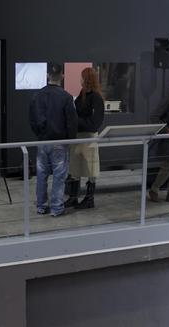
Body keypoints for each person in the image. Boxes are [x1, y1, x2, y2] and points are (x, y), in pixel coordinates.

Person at [28, 64, 77, 217]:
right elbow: (71, 122)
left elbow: (32, 119)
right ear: (62, 76)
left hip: (42, 141)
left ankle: (41, 206)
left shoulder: (37, 96)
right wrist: (71, 140)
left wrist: (39, 134)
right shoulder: (66, 97)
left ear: (48, 75)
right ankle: (56, 208)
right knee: (59, 176)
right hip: (60, 143)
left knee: (42, 175)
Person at [64, 67, 104, 210]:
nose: (79, 79)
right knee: (75, 168)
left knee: (90, 169)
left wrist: (76, 121)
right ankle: (73, 197)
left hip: (88, 137)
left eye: (81, 77)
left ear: (86, 79)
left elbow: (95, 122)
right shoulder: (82, 94)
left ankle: (89, 199)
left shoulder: (96, 98)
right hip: (78, 137)